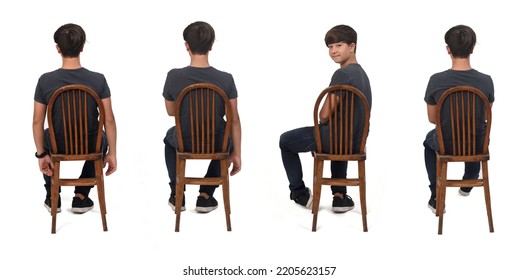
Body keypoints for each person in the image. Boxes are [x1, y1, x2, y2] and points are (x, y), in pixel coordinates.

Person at [279, 25, 372, 213]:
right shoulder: (362, 74)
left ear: (352, 46)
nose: (333, 51)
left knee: (285, 141)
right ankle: (339, 197)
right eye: (330, 47)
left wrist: (319, 139)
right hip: (355, 141)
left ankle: (299, 193)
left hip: (334, 139)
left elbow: (324, 114)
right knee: (339, 135)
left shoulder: (342, 74)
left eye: (339, 45)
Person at [32, 23, 118, 214]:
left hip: (56, 145)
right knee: (101, 137)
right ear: (82, 47)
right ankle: (81, 196)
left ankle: (51, 195)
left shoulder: (45, 80)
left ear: (58, 49)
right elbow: (109, 120)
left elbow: (37, 121)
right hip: (91, 144)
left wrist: (41, 154)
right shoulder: (98, 79)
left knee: (45, 136)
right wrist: (112, 152)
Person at [163, 21, 242, 213]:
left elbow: (171, 111)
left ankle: (177, 191)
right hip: (216, 142)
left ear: (187, 46)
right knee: (227, 137)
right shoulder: (226, 78)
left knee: (169, 137)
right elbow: (234, 120)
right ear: (211, 45)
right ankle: (206, 195)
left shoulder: (174, 76)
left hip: (185, 141)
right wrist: (237, 153)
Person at [423, 24, 494, 214]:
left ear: (448, 49)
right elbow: (485, 116)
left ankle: (436, 194)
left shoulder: (436, 80)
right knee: (477, 131)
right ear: (472, 48)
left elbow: (432, 119)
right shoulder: (486, 80)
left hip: (446, 144)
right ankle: (470, 179)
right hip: (476, 144)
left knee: (429, 141)